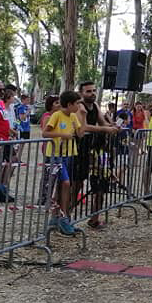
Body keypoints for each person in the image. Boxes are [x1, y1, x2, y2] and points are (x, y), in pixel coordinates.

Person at [76, 81, 120, 231]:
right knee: (77, 184)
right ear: (81, 93)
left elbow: (102, 122)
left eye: (94, 90)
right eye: (88, 91)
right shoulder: (80, 107)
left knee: (101, 185)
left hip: (99, 151)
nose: (92, 93)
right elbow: (84, 127)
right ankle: (65, 217)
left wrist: (112, 126)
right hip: (81, 150)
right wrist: (105, 129)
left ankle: (95, 218)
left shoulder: (94, 106)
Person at [42, 90, 86, 236]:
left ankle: (56, 216)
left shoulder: (73, 116)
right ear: (70, 104)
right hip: (55, 155)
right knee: (66, 183)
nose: (80, 106)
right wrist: (62, 135)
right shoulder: (57, 115)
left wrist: (83, 116)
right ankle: (63, 216)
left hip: (68, 154)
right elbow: (45, 133)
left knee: (62, 186)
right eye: (77, 103)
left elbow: (80, 133)